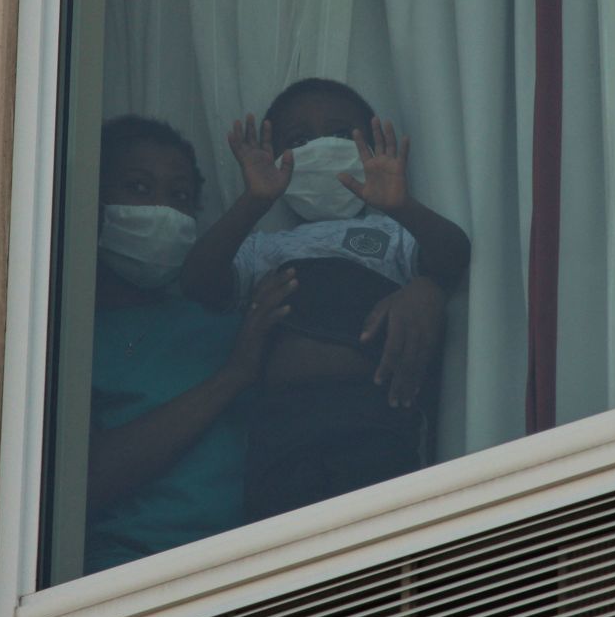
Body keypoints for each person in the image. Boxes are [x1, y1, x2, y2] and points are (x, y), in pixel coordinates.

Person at [86, 114, 450, 573]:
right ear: (89, 199)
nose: (162, 211)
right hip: (130, 575)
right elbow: (80, 485)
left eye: (180, 197)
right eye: (138, 189)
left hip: (267, 570)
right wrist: (233, 377)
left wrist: (428, 287)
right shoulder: (67, 341)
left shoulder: (240, 308)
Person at [180, 79, 470, 521]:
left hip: (372, 413)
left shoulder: (390, 234)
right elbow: (199, 282)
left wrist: (401, 205)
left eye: (339, 136)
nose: (320, 148)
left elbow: (452, 256)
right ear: (276, 159)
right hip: (282, 421)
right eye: (299, 140)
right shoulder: (264, 248)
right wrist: (254, 200)